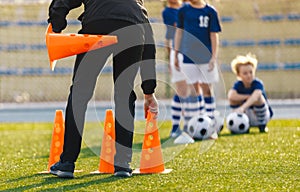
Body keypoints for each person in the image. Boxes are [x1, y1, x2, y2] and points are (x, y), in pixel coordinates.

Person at [47, 0, 158, 178]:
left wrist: (57, 24)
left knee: (79, 94)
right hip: (133, 27)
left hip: (97, 23)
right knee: (124, 93)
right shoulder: (136, 4)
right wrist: (149, 90)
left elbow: (63, 1)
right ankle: (122, 164)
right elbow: (149, 44)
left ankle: (67, 163)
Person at [174, 0, 222, 128]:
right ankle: (195, 124)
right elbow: (179, 32)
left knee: (207, 89)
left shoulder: (210, 11)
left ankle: (211, 125)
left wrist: (214, 57)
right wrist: (176, 53)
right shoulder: (183, 11)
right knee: (194, 90)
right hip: (188, 56)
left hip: (206, 57)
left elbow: (214, 35)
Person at [162, 0, 196, 138]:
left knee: (194, 89)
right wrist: (171, 57)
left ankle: (191, 125)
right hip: (179, 51)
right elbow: (170, 36)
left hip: (192, 51)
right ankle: (176, 127)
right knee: (182, 90)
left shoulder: (189, 7)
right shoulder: (168, 12)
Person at [227, 53, 273, 133]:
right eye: (245, 73)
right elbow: (231, 96)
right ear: (238, 74)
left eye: (251, 72)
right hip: (247, 114)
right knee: (233, 99)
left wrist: (242, 107)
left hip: (260, 115)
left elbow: (256, 96)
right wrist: (247, 97)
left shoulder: (258, 83)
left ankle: (262, 125)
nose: (249, 75)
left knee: (259, 97)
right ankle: (242, 123)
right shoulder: (238, 85)